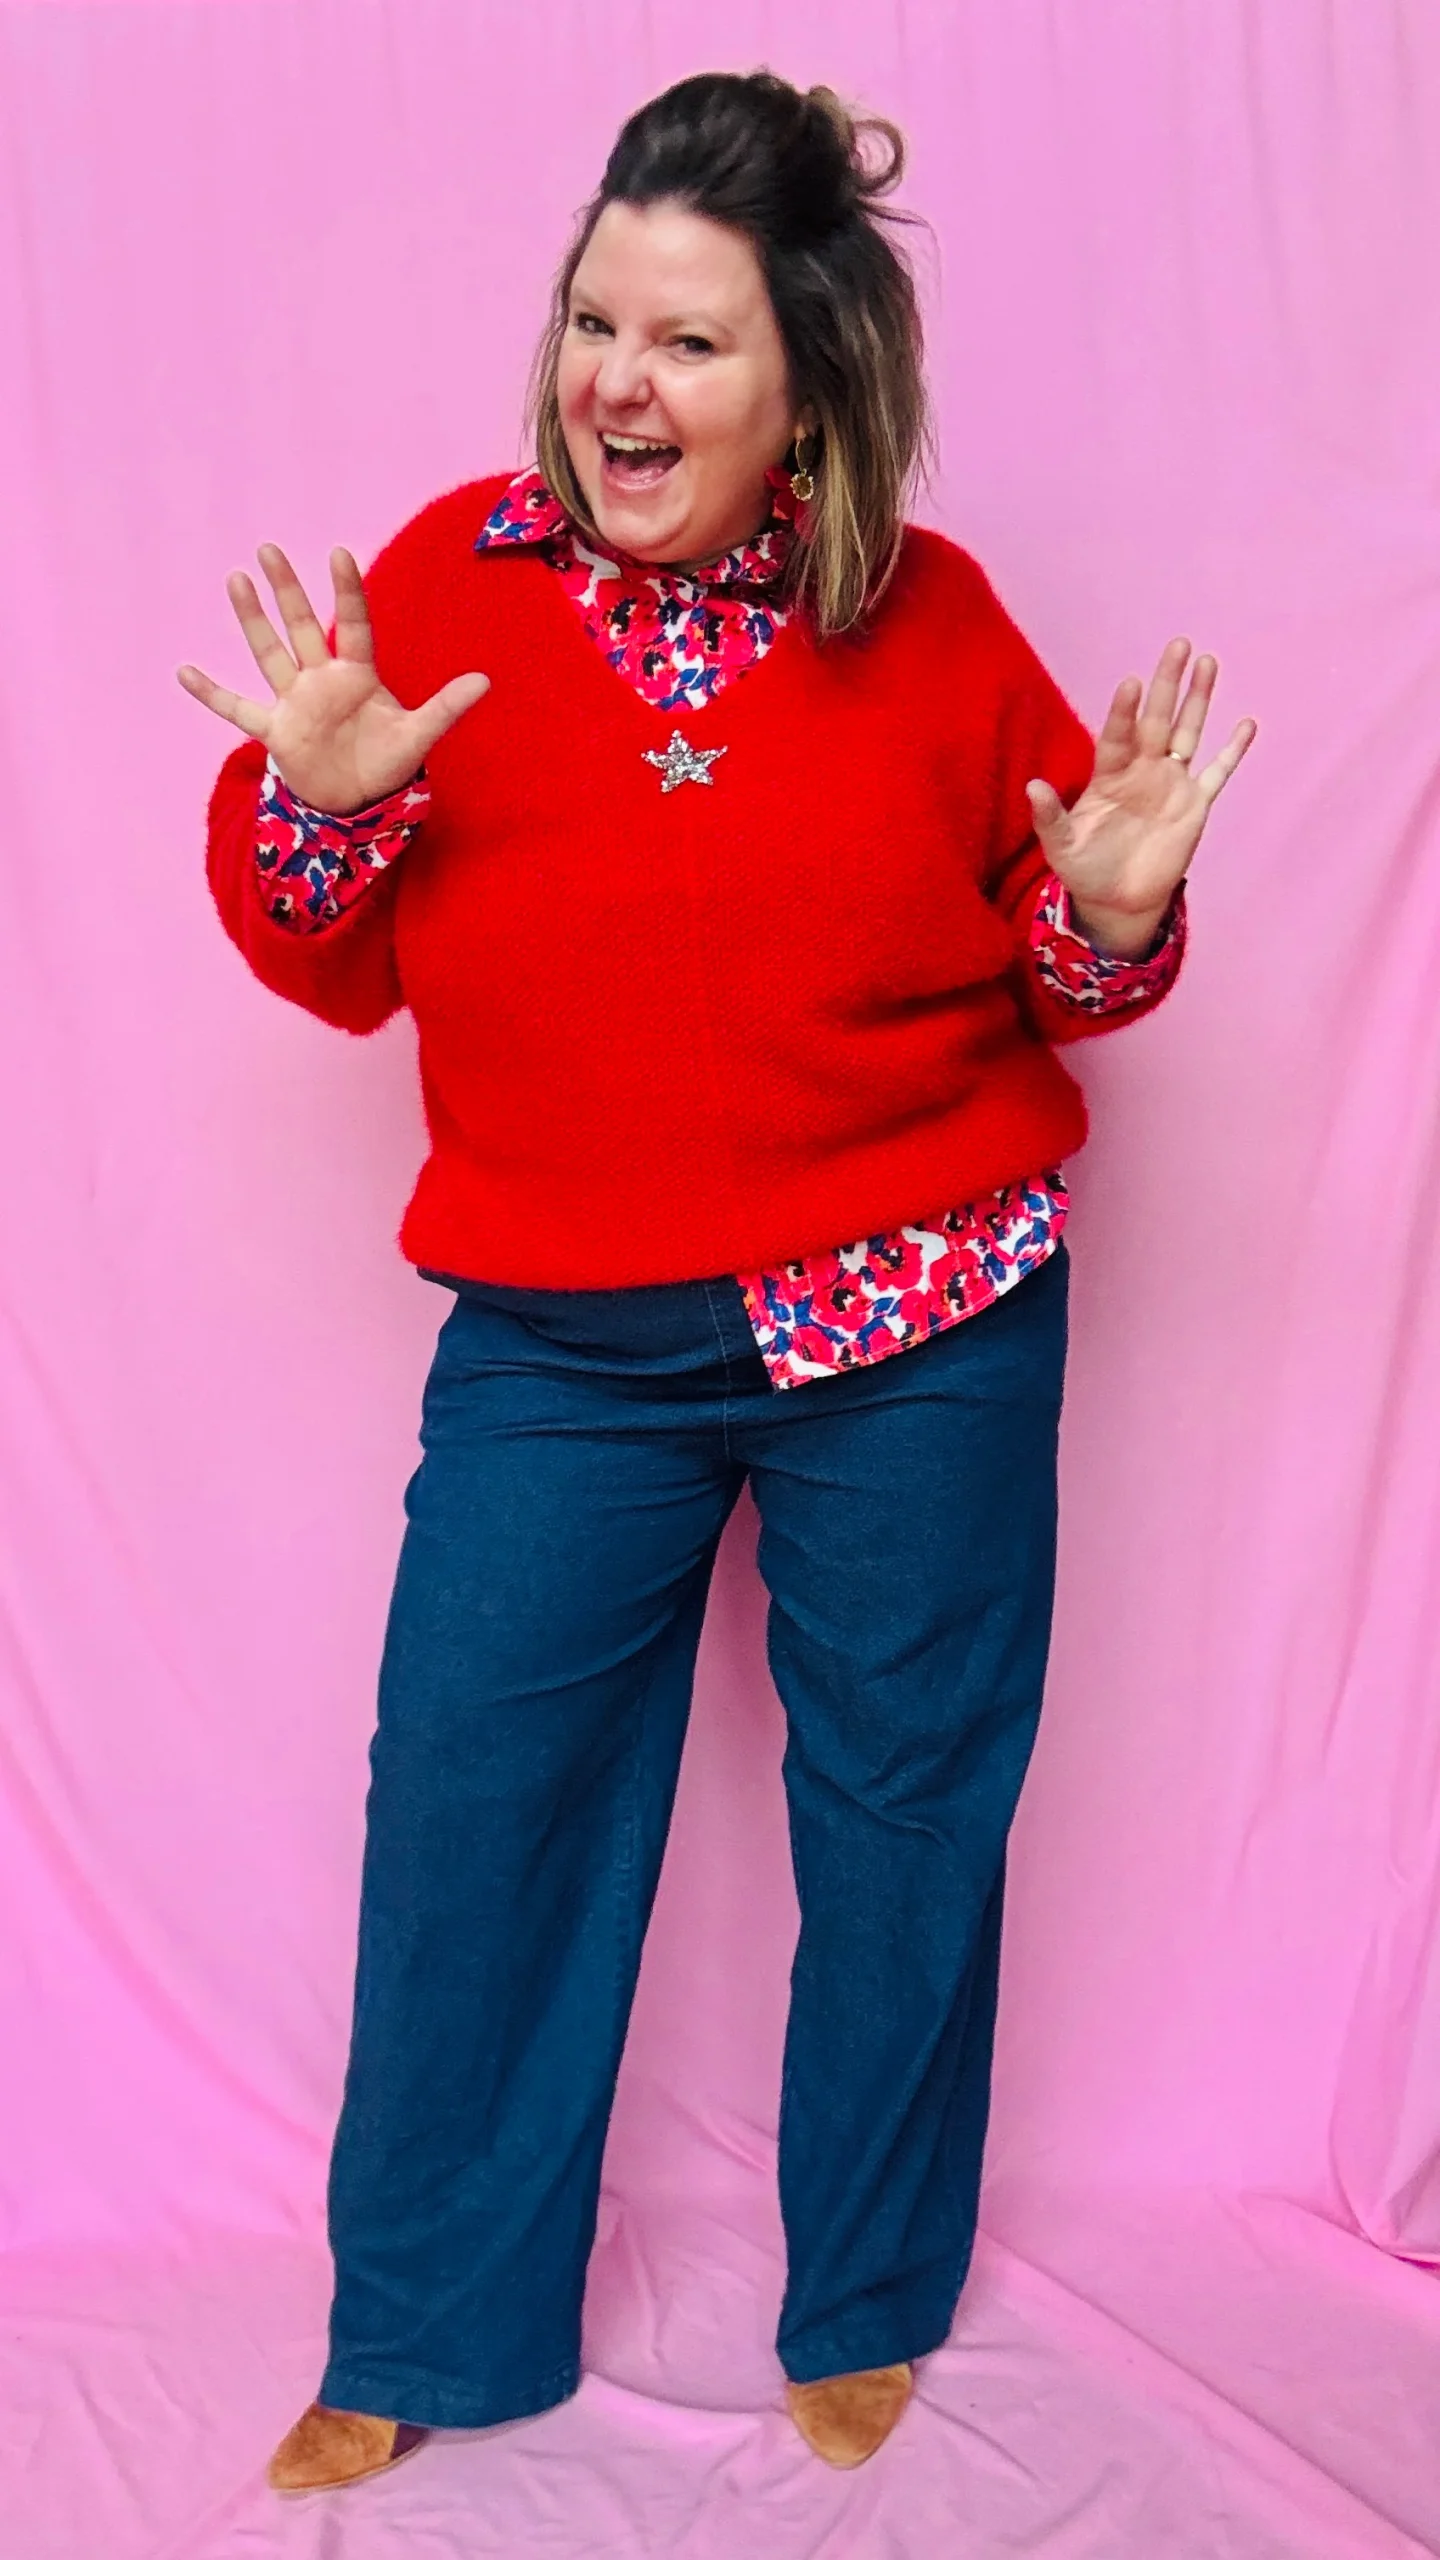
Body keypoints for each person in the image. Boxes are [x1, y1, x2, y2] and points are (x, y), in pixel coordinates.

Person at [181, 69, 1255, 2495]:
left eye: (684, 341)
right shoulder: (447, 582)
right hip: (570, 1341)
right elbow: (316, 957)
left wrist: (1108, 910)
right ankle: (423, 2320)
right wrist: (325, 804)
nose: (617, 385)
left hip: (921, 1319)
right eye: (594, 325)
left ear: (807, 386)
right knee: (475, 1795)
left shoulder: (933, 622)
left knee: (905, 1810)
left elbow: (1070, 953)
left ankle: (864, 2289)